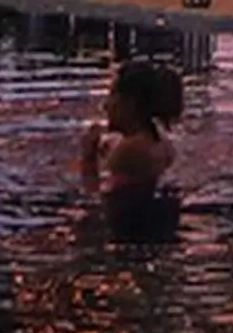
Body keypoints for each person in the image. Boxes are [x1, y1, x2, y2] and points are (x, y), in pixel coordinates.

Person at [79, 59, 185, 241]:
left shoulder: (129, 150)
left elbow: (97, 201)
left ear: (130, 104)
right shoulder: (160, 140)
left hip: (130, 230)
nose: (105, 106)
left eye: (112, 96)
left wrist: (88, 155)